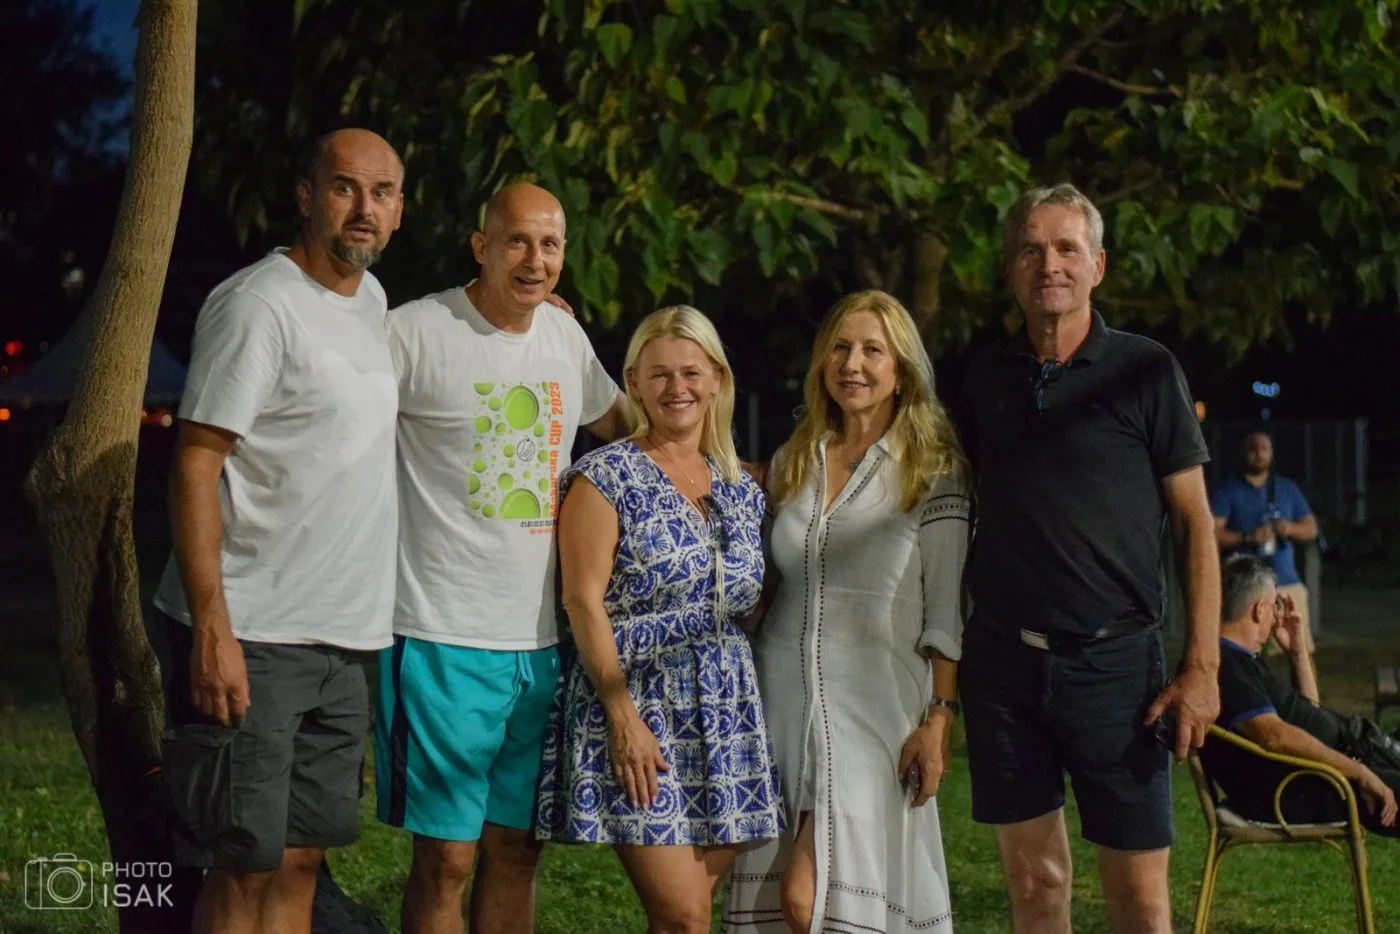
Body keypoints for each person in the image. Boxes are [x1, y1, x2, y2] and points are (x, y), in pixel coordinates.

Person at [154, 128, 405, 934]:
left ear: (400, 210)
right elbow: (196, 462)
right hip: (254, 633)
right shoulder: (257, 304)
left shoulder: (372, 301)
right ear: (306, 197)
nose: (364, 208)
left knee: (300, 862)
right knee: (243, 867)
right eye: (344, 187)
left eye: (382, 192)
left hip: (345, 640)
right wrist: (212, 629)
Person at [955, 183, 1221, 934]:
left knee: (1139, 898)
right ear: (1010, 269)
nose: (1051, 264)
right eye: (1032, 249)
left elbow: (1195, 521)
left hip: (1118, 670)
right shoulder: (982, 379)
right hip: (1004, 666)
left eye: (1067, 248)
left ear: (1097, 266)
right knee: (1035, 886)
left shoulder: (1145, 370)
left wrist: (1201, 668)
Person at [376, 182, 631, 934]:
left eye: (550, 244)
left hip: (541, 643)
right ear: (481, 246)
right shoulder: (413, 332)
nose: (534, 259)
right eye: (517, 240)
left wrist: (718, 465)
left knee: (518, 850)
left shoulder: (564, 337)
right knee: (446, 860)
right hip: (439, 635)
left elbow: (625, 431)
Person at [722, 290, 972, 934]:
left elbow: (945, 615)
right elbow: (766, 583)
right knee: (785, 900)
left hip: (876, 709)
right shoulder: (793, 462)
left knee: (811, 897)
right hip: (780, 700)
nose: (852, 363)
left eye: (872, 350)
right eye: (839, 347)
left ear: (902, 371)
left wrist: (939, 718)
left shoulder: (933, 471)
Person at [534, 305, 784, 934]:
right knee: (683, 914)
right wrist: (623, 717)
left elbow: (752, 599)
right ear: (634, 384)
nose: (678, 388)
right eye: (660, 374)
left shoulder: (740, 486)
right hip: (638, 706)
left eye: (692, 372)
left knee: (685, 917)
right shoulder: (604, 477)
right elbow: (581, 601)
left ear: (717, 380)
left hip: (726, 714)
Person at [1210, 554, 1398, 834]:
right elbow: (1274, 736)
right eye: (1274, 606)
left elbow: (1310, 713)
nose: (1276, 616)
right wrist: (1359, 772)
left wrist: (1297, 652)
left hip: (1335, 768)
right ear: (1260, 609)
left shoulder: (1242, 661)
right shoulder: (1227, 666)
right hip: (1313, 787)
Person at [1211, 430, 1320, 652]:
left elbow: (1311, 529)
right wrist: (1248, 537)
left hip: (1285, 583)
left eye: (1264, 448)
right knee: (1243, 654)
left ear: (1271, 453)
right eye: (1253, 448)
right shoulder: (1227, 491)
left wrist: (1288, 528)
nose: (1258, 454)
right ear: (1243, 452)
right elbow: (1212, 533)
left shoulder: (1287, 488)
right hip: (1244, 588)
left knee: (1297, 650)